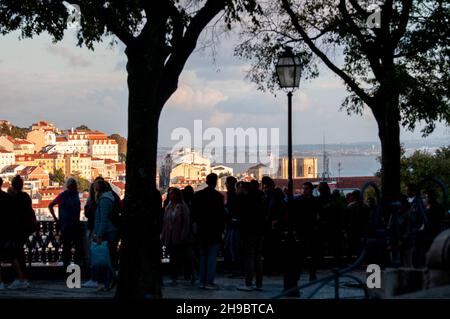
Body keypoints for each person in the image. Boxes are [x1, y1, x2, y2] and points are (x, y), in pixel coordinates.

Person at [191, 173, 225, 290]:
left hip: (201, 230)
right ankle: (209, 281)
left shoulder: (198, 195)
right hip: (214, 231)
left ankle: (202, 281)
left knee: (203, 256)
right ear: (216, 182)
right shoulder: (219, 197)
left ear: (206, 181)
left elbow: (194, 213)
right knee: (211, 257)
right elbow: (221, 216)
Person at [4, 175, 35, 289]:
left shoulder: (14, 199)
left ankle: (19, 279)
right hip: (25, 229)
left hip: (16, 229)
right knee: (20, 253)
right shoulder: (26, 196)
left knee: (15, 254)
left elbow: (12, 215)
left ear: (13, 186)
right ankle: (22, 278)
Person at [236, 181, 266, 291]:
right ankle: (259, 283)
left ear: (243, 188)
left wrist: (238, 195)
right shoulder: (259, 197)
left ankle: (248, 283)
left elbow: (239, 213)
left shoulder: (245, 199)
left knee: (249, 258)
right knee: (258, 258)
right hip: (259, 231)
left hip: (248, 232)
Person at [48, 177, 83, 269]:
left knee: (69, 247)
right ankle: (73, 266)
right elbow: (50, 205)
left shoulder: (69, 195)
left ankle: (68, 266)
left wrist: (56, 219)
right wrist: (56, 218)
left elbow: (50, 205)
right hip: (69, 225)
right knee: (72, 247)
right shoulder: (67, 195)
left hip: (69, 225)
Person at [161, 188, 193, 285]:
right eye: (170, 194)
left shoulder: (183, 207)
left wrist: (183, 235)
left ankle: (187, 274)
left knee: (180, 256)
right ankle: (174, 275)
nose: (171, 196)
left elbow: (186, 223)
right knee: (171, 256)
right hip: (169, 235)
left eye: (173, 194)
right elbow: (165, 222)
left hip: (179, 235)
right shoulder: (168, 207)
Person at [92, 180, 118, 291]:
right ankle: (108, 282)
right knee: (107, 259)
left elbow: (103, 220)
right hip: (108, 232)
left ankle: (108, 282)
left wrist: (99, 235)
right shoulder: (108, 199)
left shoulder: (104, 201)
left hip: (107, 233)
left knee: (104, 260)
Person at [261, 176, 286, 275]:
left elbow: (282, 210)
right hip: (269, 225)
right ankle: (271, 268)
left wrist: (276, 220)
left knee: (273, 247)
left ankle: (274, 268)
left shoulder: (276, 195)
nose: (264, 188)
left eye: (265, 186)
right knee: (269, 248)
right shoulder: (270, 195)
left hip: (274, 226)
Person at [223, 176, 241, 277]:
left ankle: (235, 269)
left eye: (226, 183)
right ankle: (233, 268)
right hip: (232, 225)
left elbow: (232, 210)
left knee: (232, 248)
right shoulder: (233, 195)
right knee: (231, 247)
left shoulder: (232, 195)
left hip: (233, 225)